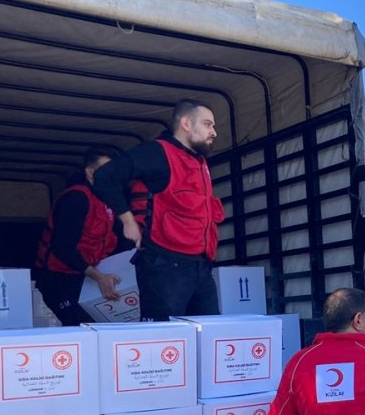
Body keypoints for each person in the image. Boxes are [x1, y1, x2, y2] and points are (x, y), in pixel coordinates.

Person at [93, 99, 225, 321]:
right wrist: (127, 220)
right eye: (207, 124)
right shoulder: (155, 152)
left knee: (209, 333)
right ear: (186, 123)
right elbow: (104, 177)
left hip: (201, 265)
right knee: (166, 343)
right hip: (164, 264)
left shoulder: (199, 161)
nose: (214, 132)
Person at [34, 145, 123, 326]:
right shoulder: (76, 198)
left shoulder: (109, 201)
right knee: (81, 327)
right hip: (58, 278)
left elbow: (115, 241)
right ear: (90, 173)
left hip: (86, 276)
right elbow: (63, 248)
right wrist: (99, 277)